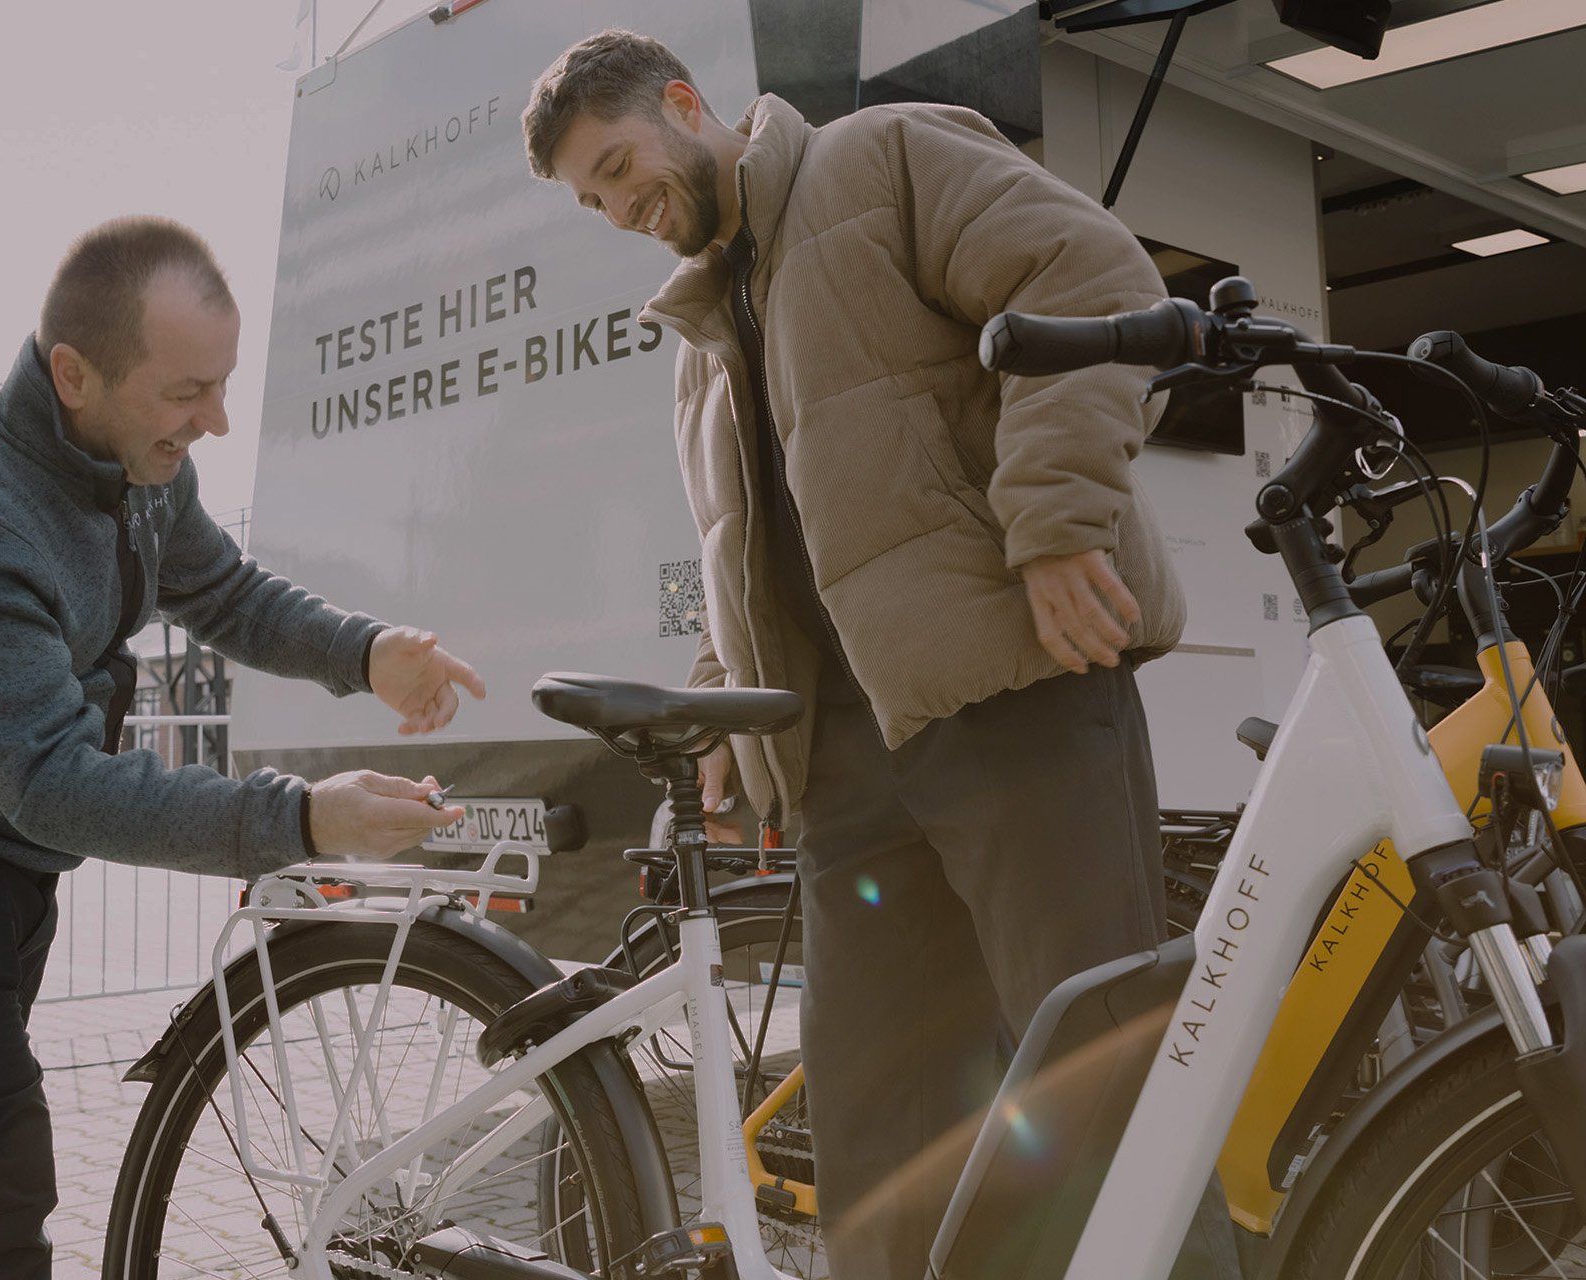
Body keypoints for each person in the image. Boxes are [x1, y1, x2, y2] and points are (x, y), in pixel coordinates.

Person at [523, 32, 1238, 1280]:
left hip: (1013, 703)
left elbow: (1087, 276)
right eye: (598, 200)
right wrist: (719, 713)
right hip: (850, 771)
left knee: (1101, 1082)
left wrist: (1059, 523)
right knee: (880, 1139)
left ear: (687, 105)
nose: (623, 208)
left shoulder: (883, 160)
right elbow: (749, 556)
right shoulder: (698, 342)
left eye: (623, 167)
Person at [0, 215, 483, 1280]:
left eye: (222, 384)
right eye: (188, 390)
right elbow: (53, 783)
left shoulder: (139, 460)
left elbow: (223, 589)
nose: (218, 418)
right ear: (74, 373)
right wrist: (299, 818)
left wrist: (366, 652)